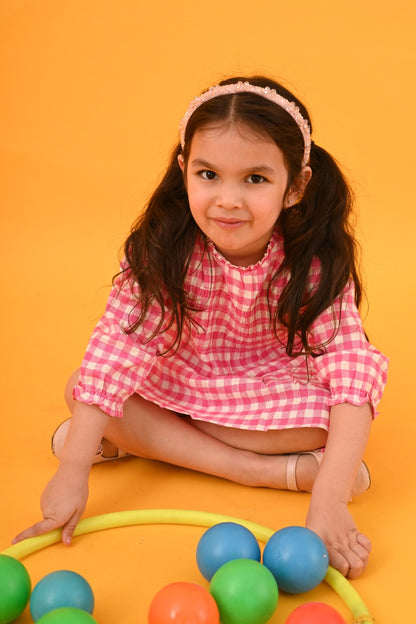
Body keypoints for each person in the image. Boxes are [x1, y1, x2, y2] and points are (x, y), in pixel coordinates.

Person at [13, 76, 388, 579]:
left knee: (332, 421)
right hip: (180, 377)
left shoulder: (314, 259)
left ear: (295, 186)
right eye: (208, 174)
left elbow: (349, 368)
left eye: (255, 179)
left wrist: (329, 499)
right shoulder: (163, 248)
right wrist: (72, 472)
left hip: (267, 385)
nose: (227, 201)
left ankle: (153, 443)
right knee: (82, 389)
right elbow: (118, 348)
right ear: (183, 169)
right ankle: (257, 471)